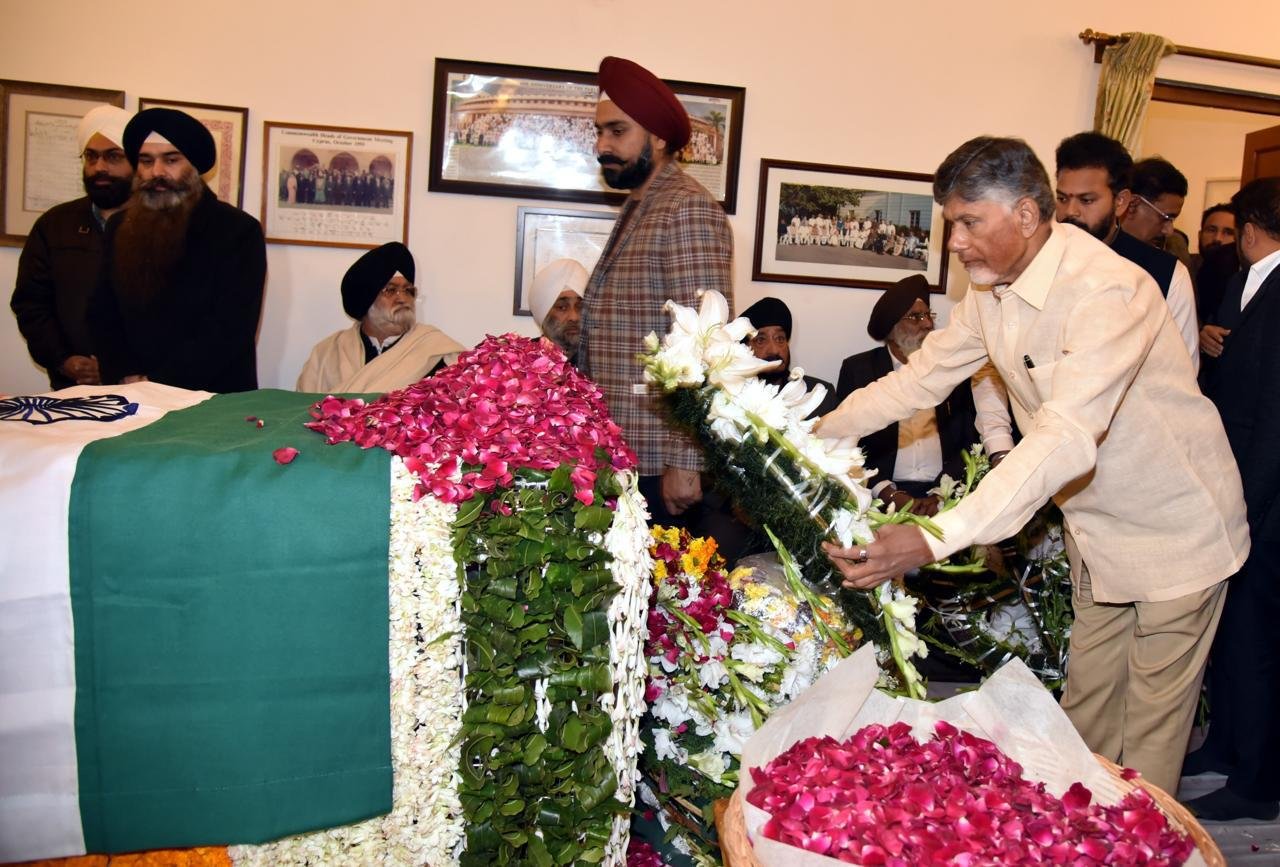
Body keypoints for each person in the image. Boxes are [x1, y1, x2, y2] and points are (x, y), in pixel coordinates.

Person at [816, 136, 1248, 795]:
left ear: (1024, 214)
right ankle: (1078, 834)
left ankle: (1139, 844)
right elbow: (917, 383)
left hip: (1177, 526)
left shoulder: (1107, 288)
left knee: (1150, 733)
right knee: (1087, 715)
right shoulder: (986, 296)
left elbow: (1064, 435)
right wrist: (805, 436)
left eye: (967, 222)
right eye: (949, 223)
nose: (954, 242)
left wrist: (934, 536)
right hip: (1097, 531)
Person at [578, 55, 733, 525]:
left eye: (617, 131)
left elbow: (706, 346)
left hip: (658, 465)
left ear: (659, 138)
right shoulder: (641, 206)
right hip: (621, 456)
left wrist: (688, 459)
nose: (602, 144)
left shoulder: (686, 209)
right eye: (599, 132)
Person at [1184, 177, 1280, 822]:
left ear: (1248, 227)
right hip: (1241, 481)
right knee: (1231, 633)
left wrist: (1246, 502)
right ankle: (1225, 743)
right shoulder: (1249, 283)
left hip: (1264, 498)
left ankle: (1260, 781)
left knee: (1259, 639)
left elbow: (1275, 413)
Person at [90, 108, 266, 393]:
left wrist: (157, 383)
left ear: (194, 165)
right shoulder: (120, 225)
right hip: (129, 390)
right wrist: (126, 374)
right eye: (146, 161)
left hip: (209, 396)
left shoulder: (237, 231)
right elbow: (102, 310)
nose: (156, 172)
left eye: (171, 160)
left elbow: (231, 328)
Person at [833, 275, 980, 516]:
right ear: (891, 330)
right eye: (915, 317)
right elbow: (846, 445)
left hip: (943, 496)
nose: (927, 325)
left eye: (928, 315)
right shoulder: (859, 369)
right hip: (881, 496)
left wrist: (940, 493)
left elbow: (968, 440)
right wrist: (886, 492)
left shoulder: (952, 370)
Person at [10, 105, 133, 389]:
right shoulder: (54, 225)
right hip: (72, 388)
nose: (100, 167)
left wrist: (122, 367)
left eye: (113, 156)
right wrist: (64, 360)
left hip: (144, 388)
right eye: (91, 156)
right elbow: (31, 303)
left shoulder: (158, 227)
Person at [1053, 133, 1198, 369]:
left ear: (1121, 201)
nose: (1071, 212)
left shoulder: (1168, 275)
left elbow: (1180, 371)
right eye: (1062, 198)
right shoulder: (1033, 261)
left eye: (1086, 200)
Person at [297, 242, 465, 393]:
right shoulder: (328, 353)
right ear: (367, 299)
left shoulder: (437, 352)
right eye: (390, 290)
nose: (402, 298)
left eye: (408, 291)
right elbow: (300, 411)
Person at [741, 296, 837, 419]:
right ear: (744, 348)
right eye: (760, 340)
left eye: (780, 339)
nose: (774, 349)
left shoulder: (821, 396)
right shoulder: (727, 397)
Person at [1118, 156, 1187, 250]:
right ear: (1132, 204)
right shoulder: (1096, 253)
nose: (1169, 231)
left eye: (1172, 220)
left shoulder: (1166, 260)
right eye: (1165, 218)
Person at [528, 258, 587, 363]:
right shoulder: (525, 358)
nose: (574, 317)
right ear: (544, 313)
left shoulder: (600, 362)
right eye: (562, 307)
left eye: (580, 307)